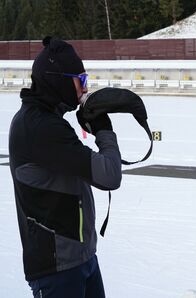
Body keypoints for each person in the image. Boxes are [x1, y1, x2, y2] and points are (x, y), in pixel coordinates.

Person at [8, 37, 121, 298]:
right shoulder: (41, 128)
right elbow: (109, 175)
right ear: (58, 80)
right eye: (80, 80)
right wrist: (104, 131)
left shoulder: (43, 120)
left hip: (79, 257)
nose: (85, 88)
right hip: (58, 268)